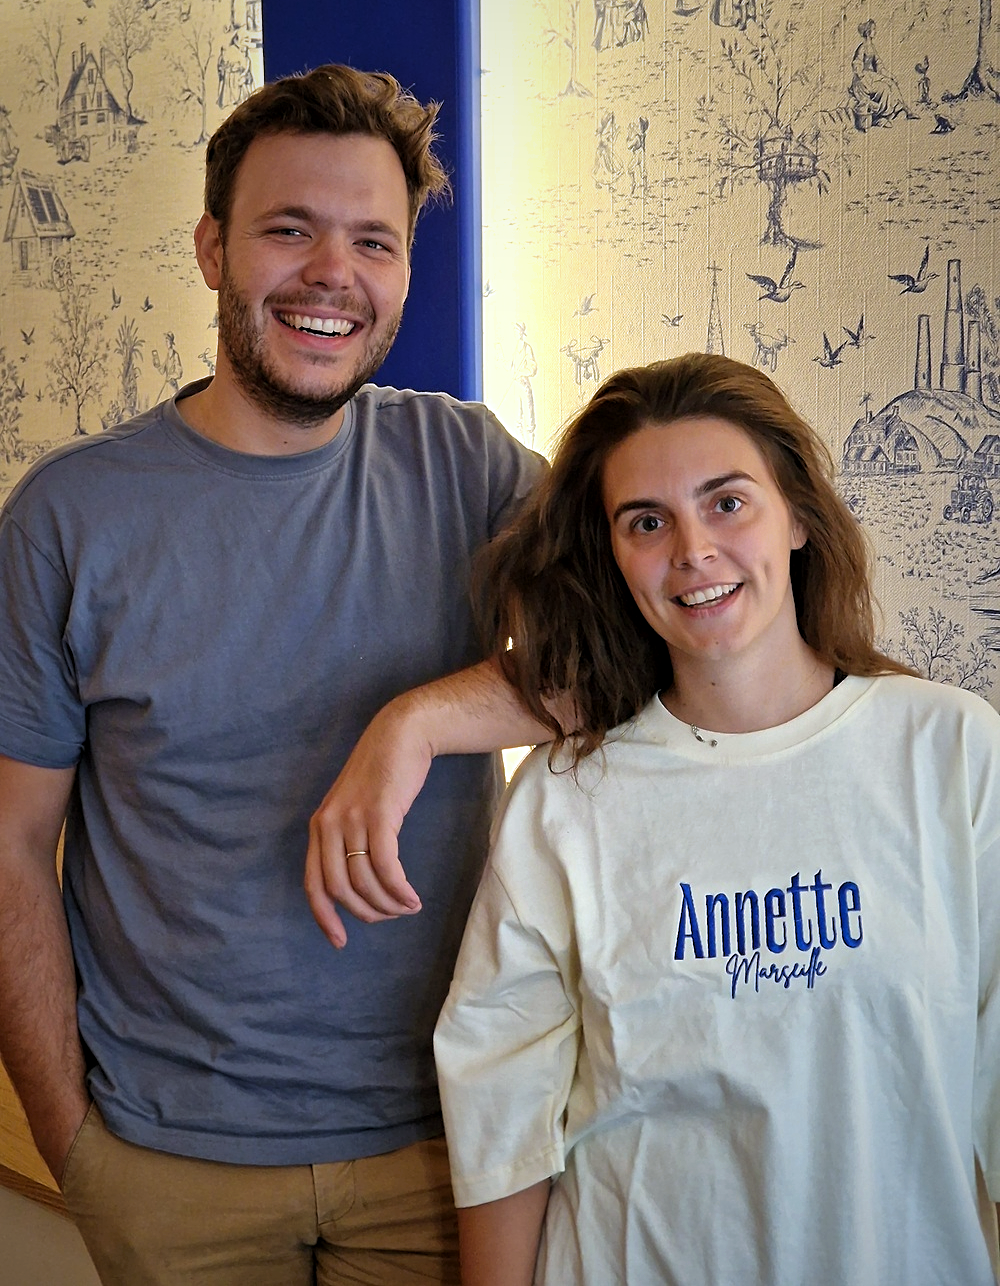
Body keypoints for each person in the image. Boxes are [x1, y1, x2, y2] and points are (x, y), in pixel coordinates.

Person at [0, 63, 546, 1285]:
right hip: (165, 1163)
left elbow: (637, 652)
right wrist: (70, 1141)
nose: (330, 276)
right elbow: (10, 838)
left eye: (373, 241)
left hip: (443, 1149)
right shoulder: (69, 515)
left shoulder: (468, 466)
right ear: (210, 248)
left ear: (405, 269)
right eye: (287, 230)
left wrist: (418, 721)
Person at [434, 353, 1000, 1284]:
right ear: (613, 556)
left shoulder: (950, 753)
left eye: (727, 502)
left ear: (800, 517)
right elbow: (501, 1112)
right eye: (646, 522)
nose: (692, 549)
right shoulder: (566, 799)